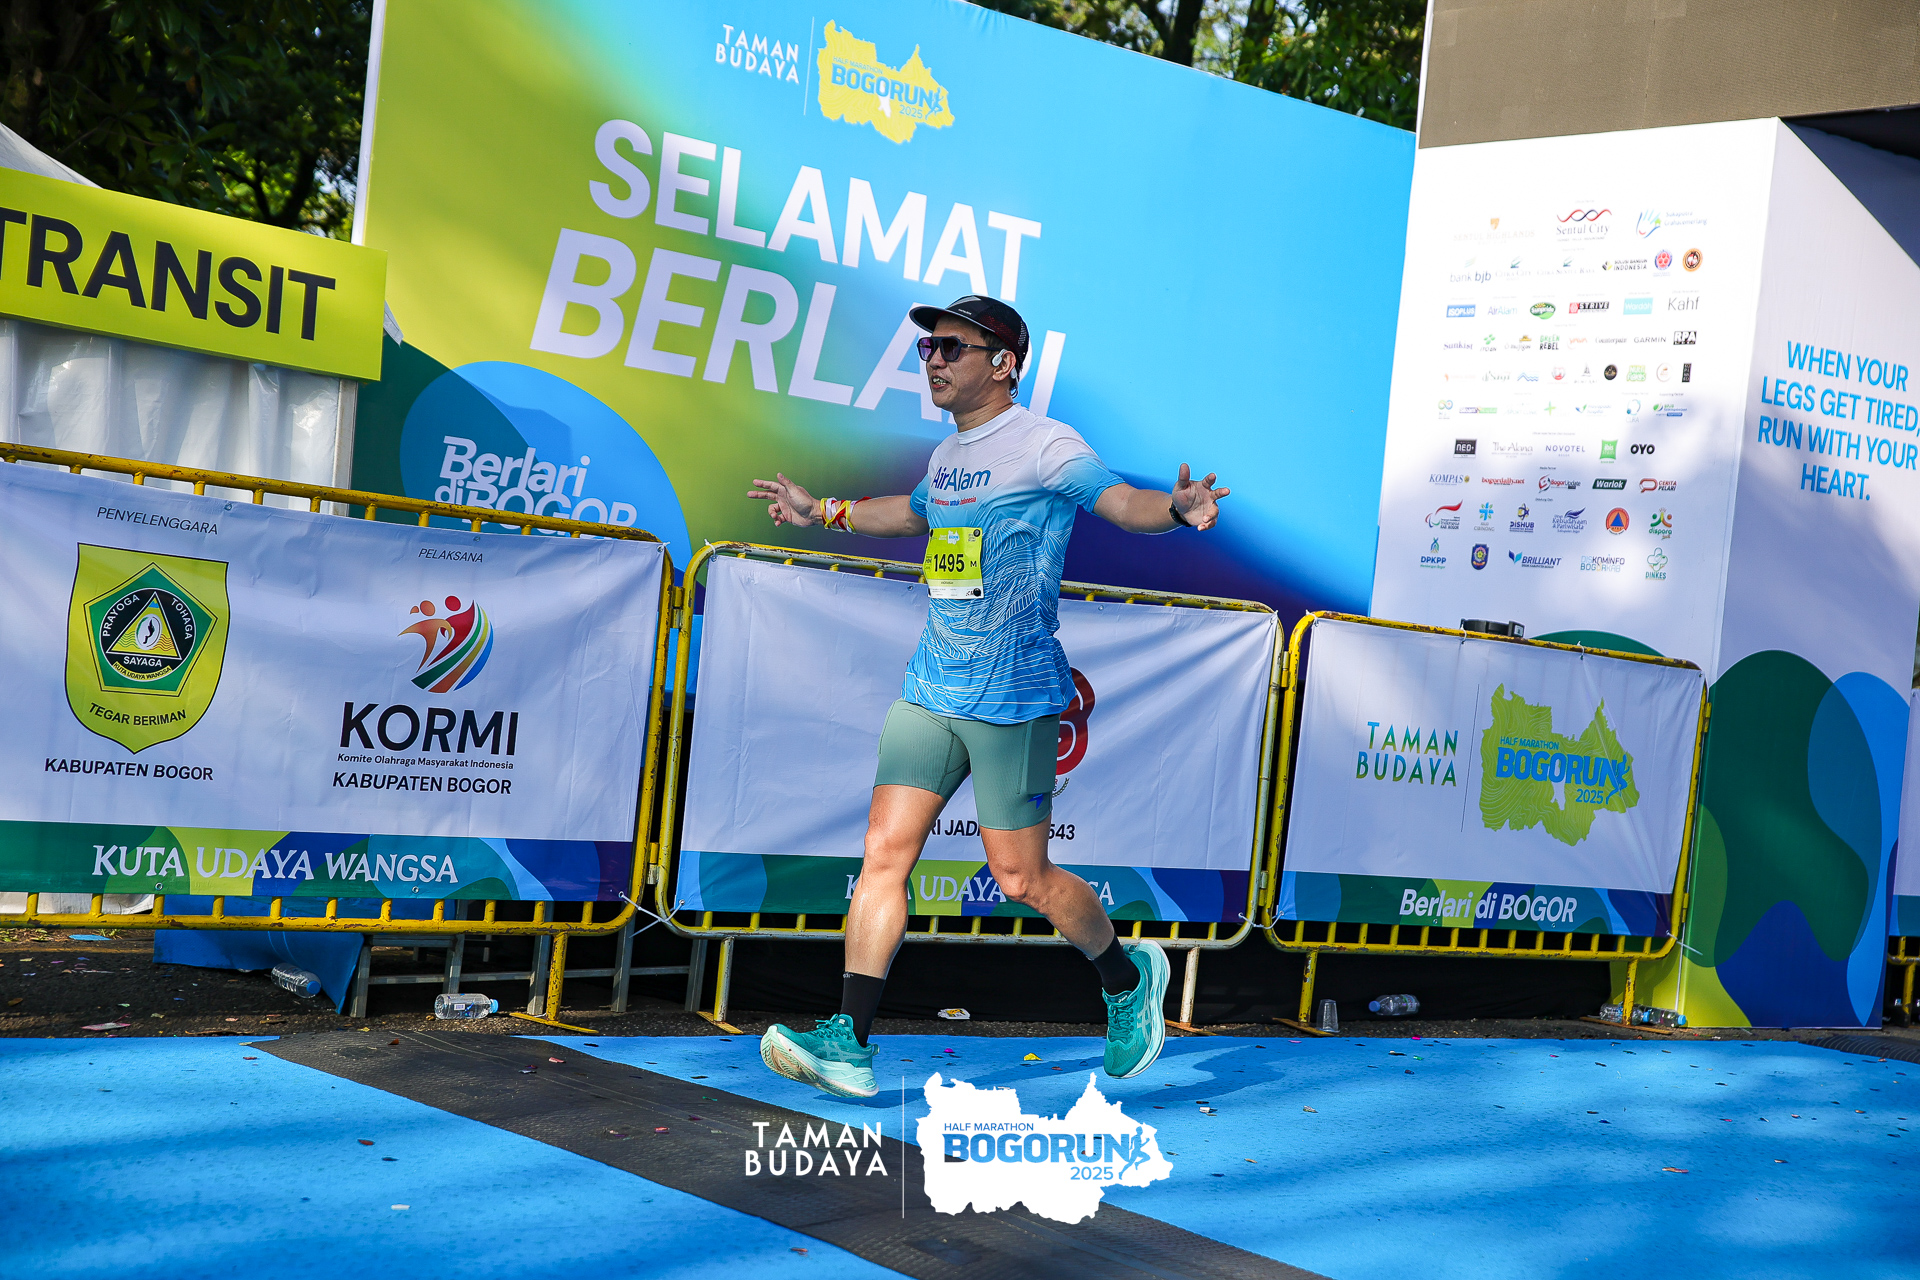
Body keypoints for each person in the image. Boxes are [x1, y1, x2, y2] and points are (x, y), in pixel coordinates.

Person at [747, 295, 1228, 1098]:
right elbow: (912, 514)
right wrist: (821, 511)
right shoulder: (948, 455)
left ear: (1003, 363)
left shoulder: (1045, 444)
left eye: (951, 347)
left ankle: (1125, 979)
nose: (932, 360)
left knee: (1021, 879)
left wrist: (1174, 511)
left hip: (1013, 696)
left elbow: (1118, 501)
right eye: (928, 348)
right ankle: (849, 1044)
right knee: (883, 853)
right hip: (930, 688)